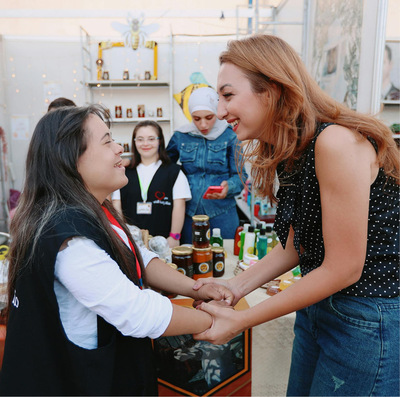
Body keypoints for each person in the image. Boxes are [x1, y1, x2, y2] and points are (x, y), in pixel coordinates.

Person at [192, 35, 400, 396]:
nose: (222, 111)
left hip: (367, 318)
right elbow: (296, 248)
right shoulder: (293, 148)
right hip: (319, 309)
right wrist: (233, 287)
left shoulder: (334, 142)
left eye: (227, 95)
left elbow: (344, 267)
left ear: (270, 90)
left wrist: (241, 319)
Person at [0, 105, 233, 395]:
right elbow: (137, 312)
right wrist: (217, 320)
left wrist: (197, 289)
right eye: (107, 141)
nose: (119, 147)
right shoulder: (67, 236)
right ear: (71, 159)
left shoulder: (93, 209)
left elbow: (137, 257)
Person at [167, 87, 247, 243]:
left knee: (225, 259)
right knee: (189, 261)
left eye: (209, 117)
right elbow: (163, 168)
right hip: (188, 214)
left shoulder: (231, 135)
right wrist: (132, 162)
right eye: (196, 119)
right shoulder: (180, 137)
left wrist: (228, 187)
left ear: (216, 112)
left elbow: (241, 176)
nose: (203, 124)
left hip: (223, 214)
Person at [112, 120, 191, 248]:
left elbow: (179, 206)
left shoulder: (175, 172)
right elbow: (117, 205)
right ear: (134, 142)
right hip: (132, 243)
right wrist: (122, 237)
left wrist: (174, 237)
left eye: (151, 139)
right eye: (140, 139)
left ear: (160, 141)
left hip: (164, 243)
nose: (145, 144)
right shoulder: (123, 171)